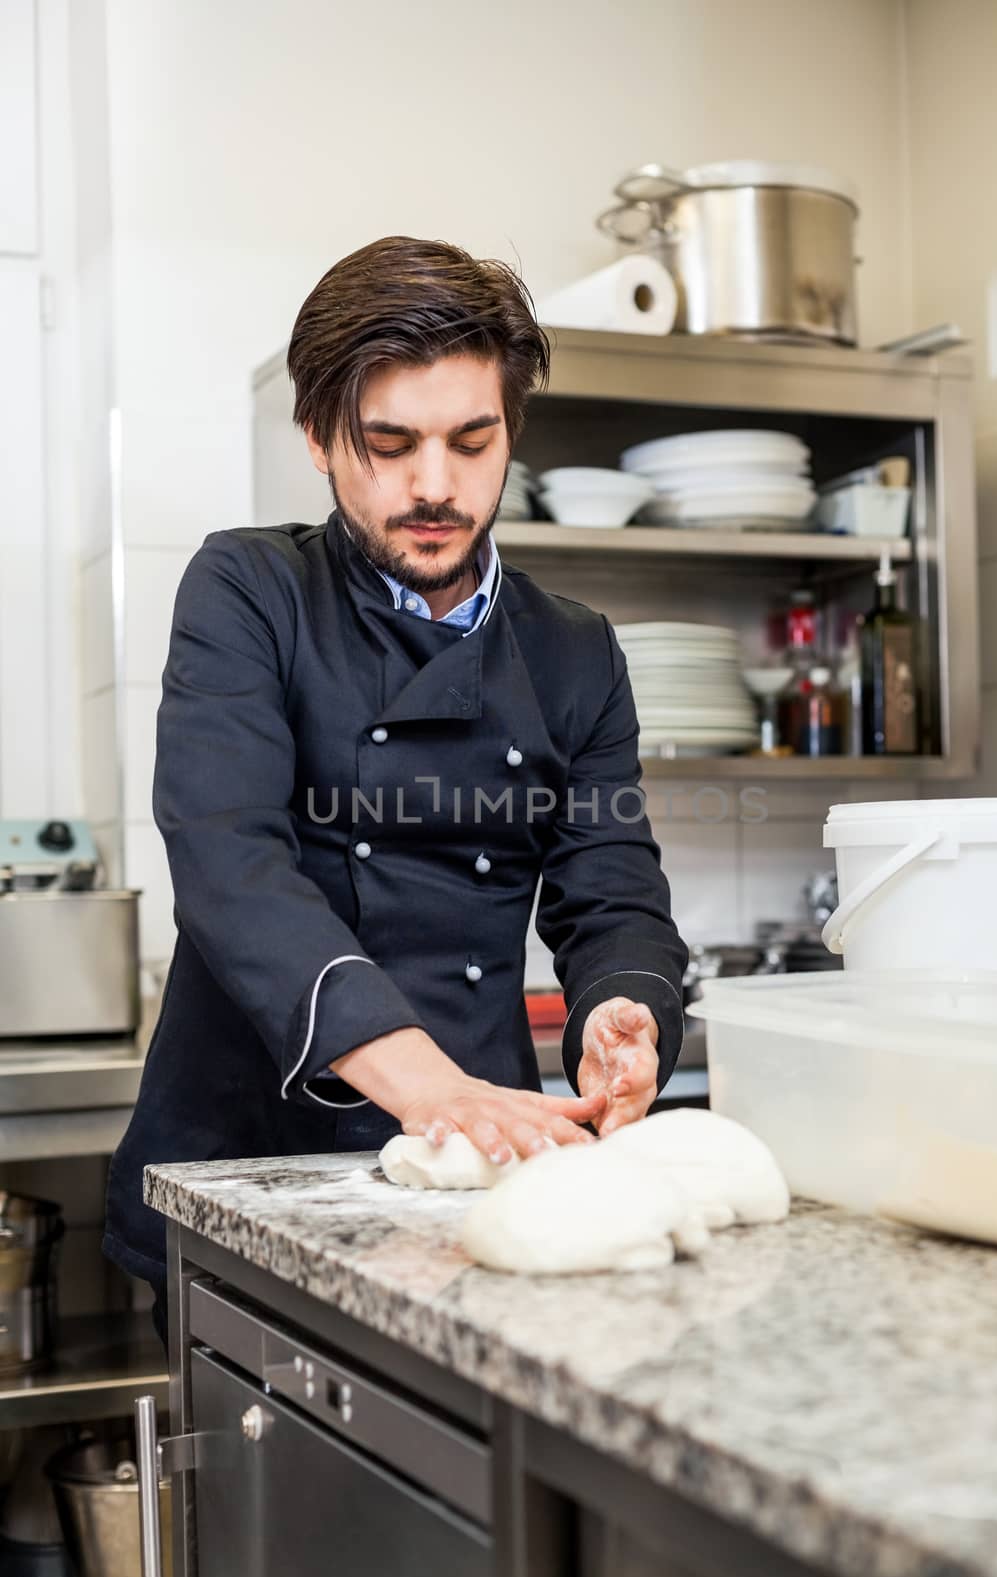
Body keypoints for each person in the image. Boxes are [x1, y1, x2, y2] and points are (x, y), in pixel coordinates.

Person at [103, 236, 688, 1347]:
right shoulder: (249, 590)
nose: (435, 485)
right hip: (246, 1167)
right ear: (319, 440)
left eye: (473, 442)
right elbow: (230, 861)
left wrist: (625, 1006)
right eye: (389, 443)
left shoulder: (573, 652)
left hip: (476, 1174)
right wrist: (427, 1084)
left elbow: (609, 885)